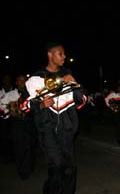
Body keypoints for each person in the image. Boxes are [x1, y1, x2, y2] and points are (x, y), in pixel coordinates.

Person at [22, 42, 87, 194]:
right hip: (47, 129)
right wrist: (40, 104)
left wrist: (75, 84)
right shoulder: (35, 79)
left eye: (64, 54)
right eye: (60, 53)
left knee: (69, 167)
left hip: (67, 128)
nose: (64, 56)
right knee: (56, 166)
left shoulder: (67, 74)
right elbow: (23, 106)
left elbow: (82, 101)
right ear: (50, 55)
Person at [10, 74, 38, 179]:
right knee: (20, 148)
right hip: (18, 124)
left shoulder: (32, 94)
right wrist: (11, 109)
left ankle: (29, 167)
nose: (22, 82)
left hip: (31, 124)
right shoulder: (10, 95)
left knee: (31, 146)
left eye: (24, 80)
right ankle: (23, 171)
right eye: (19, 80)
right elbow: (4, 111)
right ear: (16, 82)